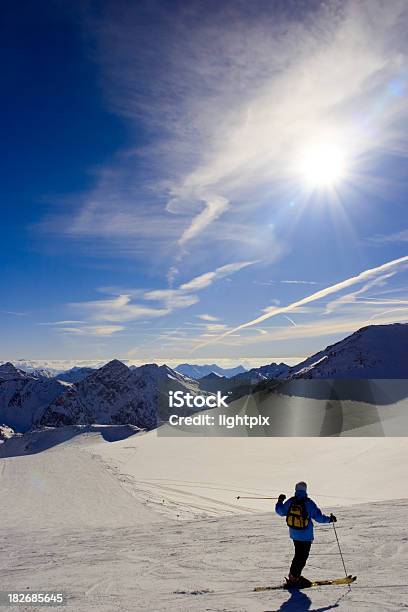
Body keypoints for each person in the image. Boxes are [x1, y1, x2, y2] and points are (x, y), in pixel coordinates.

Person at [275, 481, 337, 587]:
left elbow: (280, 511)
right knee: (302, 557)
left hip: (294, 533)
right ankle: (294, 578)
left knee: (298, 555)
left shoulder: (291, 501)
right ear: (305, 490)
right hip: (306, 535)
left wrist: (280, 501)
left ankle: (294, 576)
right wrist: (330, 519)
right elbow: (319, 517)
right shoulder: (308, 503)